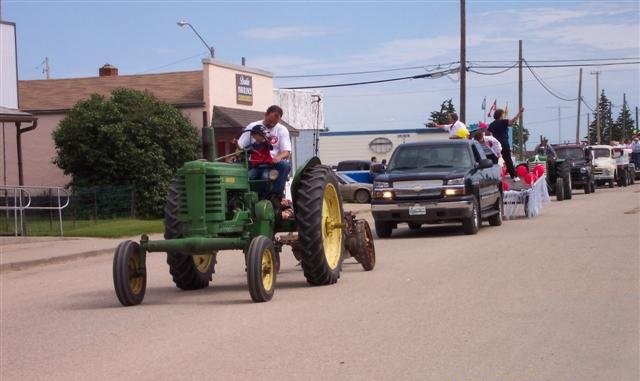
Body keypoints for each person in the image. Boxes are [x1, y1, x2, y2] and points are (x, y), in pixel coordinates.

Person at [237, 105, 292, 199]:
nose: (271, 125)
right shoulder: (253, 127)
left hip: (271, 163)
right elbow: (240, 146)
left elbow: (286, 152)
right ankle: (240, 195)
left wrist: (278, 157)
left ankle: (275, 196)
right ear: (265, 114)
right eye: (269, 121)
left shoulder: (282, 130)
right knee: (241, 171)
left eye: (274, 123)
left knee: (284, 165)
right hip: (253, 163)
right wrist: (236, 157)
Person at [488, 107, 524, 180]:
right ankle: (514, 176)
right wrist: (519, 113)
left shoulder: (491, 124)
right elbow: (512, 121)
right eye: (503, 114)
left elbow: (488, 133)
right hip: (504, 143)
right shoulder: (503, 122)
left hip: (495, 145)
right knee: (508, 159)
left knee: (494, 160)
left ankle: (492, 176)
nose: (504, 115)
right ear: (501, 115)